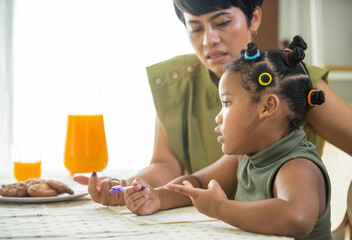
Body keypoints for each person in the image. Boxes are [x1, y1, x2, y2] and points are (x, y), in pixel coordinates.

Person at [74, 0, 352, 207]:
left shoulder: (295, 86)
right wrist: (134, 188)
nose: (209, 40)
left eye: (222, 23)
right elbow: (166, 166)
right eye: (195, 28)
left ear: (254, 17)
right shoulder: (176, 82)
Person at [124, 39, 332, 239]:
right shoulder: (245, 157)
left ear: (267, 107)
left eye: (227, 103)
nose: (219, 116)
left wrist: (220, 208)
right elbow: (198, 183)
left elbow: (296, 218)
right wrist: (157, 198)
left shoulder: (297, 165)